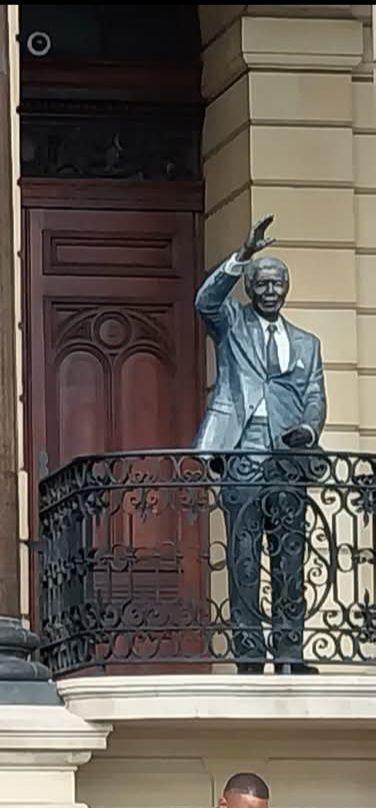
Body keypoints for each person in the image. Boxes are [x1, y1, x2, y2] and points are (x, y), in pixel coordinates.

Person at [192, 213, 326, 675]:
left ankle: (290, 653)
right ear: (250, 288)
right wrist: (243, 254)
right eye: (262, 283)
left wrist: (308, 431)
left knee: (290, 553)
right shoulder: (231, 323)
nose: (270, 290)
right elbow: (204, 300)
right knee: (244, 557)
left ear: (286, 289)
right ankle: (249, 656)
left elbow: (314, 397)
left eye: (277, 284)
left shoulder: (307, 343)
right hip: (243, 454)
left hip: (289, 460)